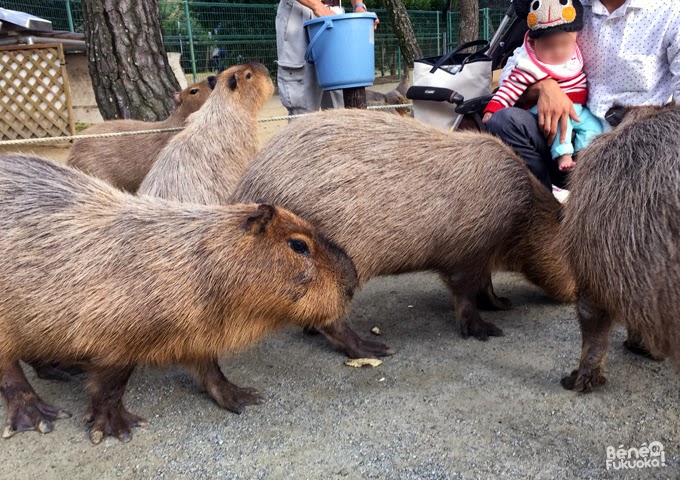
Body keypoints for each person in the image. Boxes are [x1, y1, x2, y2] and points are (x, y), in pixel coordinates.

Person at [486, 0, 680, 191]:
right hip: (568, 137)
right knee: (504, 121)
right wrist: (545, 86)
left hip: (636, 148)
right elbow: (514, 69)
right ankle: (543, 204)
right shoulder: (568, 7)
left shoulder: (669, 12)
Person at [482, 0, 602, 173]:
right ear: (532, 44)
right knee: (562, 123)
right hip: (546, 112)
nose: (558, 51)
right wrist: (492, 109)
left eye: (564, 44)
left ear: (576, 36)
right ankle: (563, 155)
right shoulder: (530, 64)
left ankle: (583, 154)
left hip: (580, 110)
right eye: (549, 47)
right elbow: (510, 87)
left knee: (594, 127)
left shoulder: (572, 41)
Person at [275, 0, 378, 116]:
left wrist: (358, 6)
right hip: (299, 13)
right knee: (303, 112)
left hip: (335, 15)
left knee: (342, 109)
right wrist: (319, 7)